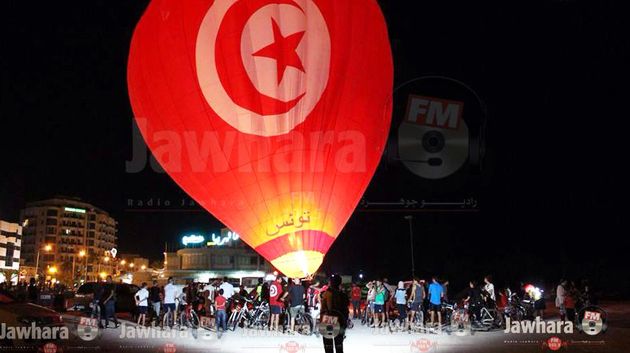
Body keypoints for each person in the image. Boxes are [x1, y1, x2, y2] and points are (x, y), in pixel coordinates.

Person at [320, 274, 349, 353]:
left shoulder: (326, 294)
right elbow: (346, 310)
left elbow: (323, 309)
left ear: (330, 283)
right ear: (340, 283)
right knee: (339, 345)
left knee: (328, 346)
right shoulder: (343, 295)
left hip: (328, 320)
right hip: (340, 320)